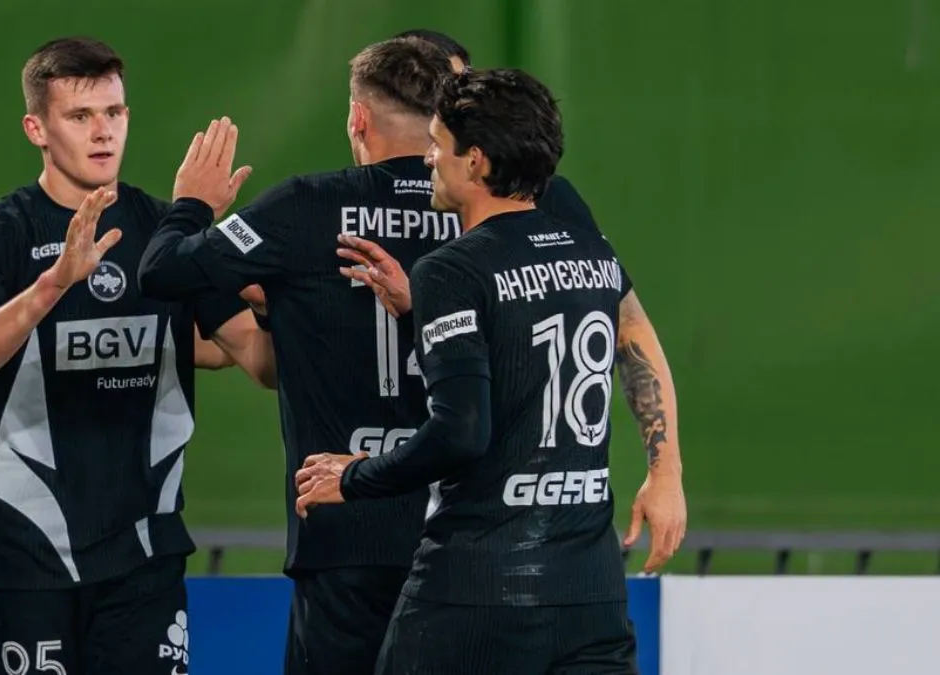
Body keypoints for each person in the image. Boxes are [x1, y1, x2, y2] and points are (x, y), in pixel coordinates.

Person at [295, 68, 686, 674]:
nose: (428, 158)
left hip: (476, 591)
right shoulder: (594, 254)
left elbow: (461, 433)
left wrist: (355, 476)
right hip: (591, 592)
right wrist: (666, 472)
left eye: (437, 144)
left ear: (474, 161)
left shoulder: (451, 269)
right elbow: (593, 344)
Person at [0, 37, 273, 675]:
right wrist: (54, 284)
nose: (102, 132)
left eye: (114, 112)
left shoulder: (166, 233)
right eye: (80, 115)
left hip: (144, 557)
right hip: (29, 555)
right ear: (37, 129)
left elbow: (257, 361)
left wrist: (272, 300)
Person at [137, 38, 458, 675]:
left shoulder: (307, 206)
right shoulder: (480, 210)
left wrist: (194, 205)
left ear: (358, 118)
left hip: (343, 530)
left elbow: (163, 270)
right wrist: (272, 304)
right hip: (459, 533)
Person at [349, 29, 685, 571]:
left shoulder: (544, 203)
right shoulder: (361, 200)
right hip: (388, 504)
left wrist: (665, 472)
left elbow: (628, 326)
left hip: (483, 519)